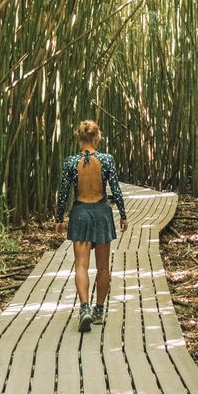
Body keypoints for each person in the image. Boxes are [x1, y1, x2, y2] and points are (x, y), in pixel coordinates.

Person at [54, 120, 128, 331]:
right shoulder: (106, 160)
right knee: (103, 267)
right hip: (101, 213)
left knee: (81, 265)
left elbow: (64, 193)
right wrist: (123, 215)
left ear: (80, 138)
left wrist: (59, 218)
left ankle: (84, 307)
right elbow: (116, 189)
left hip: (80, 214)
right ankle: (98, 310)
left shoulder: (70, 162)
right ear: (96, 137)